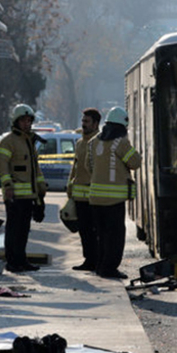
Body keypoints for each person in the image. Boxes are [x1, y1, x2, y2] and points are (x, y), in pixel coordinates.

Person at [86, 106, 140, 279]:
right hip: (114, 201)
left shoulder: (93, 142)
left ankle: (101, 266)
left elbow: (88, 167)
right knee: (115, 237)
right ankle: (109, 268)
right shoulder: (120, 143)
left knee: (101, 236)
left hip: (95, 199)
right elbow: (136, 162)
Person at [0, 104, 47, 273]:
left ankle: (21, 260)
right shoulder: (8, 141)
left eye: (29, 120)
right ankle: (12, 262)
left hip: (28, 196)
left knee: (24, 230)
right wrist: (7, 185)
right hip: (14, 196)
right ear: (16, 122)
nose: (27, 124)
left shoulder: (28, 141)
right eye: (23, 120)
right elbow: (1, 165)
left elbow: (35, 168)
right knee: (13, 230)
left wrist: (41, 188)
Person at [66, 108, 101, 271]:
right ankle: (89, 260)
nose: (83, 124)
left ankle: (98, 260)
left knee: (96, 231)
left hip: (95, 197)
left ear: (95, 124)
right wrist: (70, 186)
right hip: (80, 197)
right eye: (83, 121)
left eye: (87, 121)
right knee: (84, 231)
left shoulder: (100, 143)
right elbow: (75, 166)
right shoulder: (80, 143)